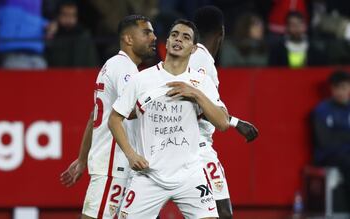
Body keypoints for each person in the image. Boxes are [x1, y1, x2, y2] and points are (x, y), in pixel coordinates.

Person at [109, 19, 228, 219]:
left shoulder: (201, 82)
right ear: (167, 41)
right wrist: (131, 155)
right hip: (149, 176)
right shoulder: (142, 79)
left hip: (190, 176)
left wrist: (195, 93)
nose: (178, 39)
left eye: (185, 37)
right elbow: (114, 119)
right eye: (174, 34)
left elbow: (222, 122)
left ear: (193, 49)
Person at [60, 15, 157, 219]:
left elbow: (93, 115)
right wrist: (158, 95)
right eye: (146, 32)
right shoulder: (125, 69)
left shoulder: (112, 65)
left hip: (117, 166)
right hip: (116, 166)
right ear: (128, 39)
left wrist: (82, 159)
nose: (154, 37)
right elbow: (129, 110)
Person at [189, 6, 259, 218]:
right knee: (223, 211)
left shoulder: (195, 55)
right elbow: (197, 102)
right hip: (198, 146)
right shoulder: (200, 58)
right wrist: (237, 123)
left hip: (187, 144)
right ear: (222, 31)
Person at [312, 70, 350, 208]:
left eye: (344, 87)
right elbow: (324, 141)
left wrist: (340, 136)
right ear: (331, 89)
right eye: (337, 88)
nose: (340, 92)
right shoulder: (322, 110)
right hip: (329, 155)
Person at [46, 0, 98, 67]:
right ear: (58, 16)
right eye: (65, 15)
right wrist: (49, 36)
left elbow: (91, 61)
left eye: (72, 15)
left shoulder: (83, 35)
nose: (69, 19)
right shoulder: (52, 34)